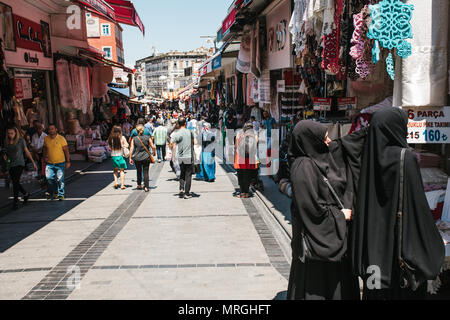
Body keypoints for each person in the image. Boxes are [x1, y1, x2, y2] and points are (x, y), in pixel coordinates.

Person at [351, 107, 445, 300]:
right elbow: (417, 207)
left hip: (373, 253)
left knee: (375, 292)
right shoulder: (406, 158)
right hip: (400, 254)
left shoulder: (369, 157)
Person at [287, 120, 367, 300]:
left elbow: (342, 145)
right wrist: (339, 216)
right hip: (316, 252)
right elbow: (311, 209)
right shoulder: (303, 166)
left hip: (330, 249)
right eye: (324, 138)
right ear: (310, 141)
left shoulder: (317, 159)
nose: (329, 141)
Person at [4, 126, 37, 210]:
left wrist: (33, 162)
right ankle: (25, 194)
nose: (10, 135)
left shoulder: (21, 141)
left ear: (15, 133)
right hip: (11, 164)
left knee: (15, 182)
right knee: (15, 182)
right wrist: (5, 157)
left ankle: (15, 202)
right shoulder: (6, 142)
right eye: (9, 133)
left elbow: (27, 152)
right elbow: (6, 154)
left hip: (19, 163)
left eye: (12, 133)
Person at [171, 117, 197, 199]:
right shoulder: (190, 132)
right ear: (185, 123)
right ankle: (186, 193)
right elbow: (196, 142)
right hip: (189, 156)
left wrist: (173, 156)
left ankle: (181, 188)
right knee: (188, 174)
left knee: (182, 172)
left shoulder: (176, 133)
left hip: (180, 156)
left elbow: (173, 145)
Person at [43, 124, 70, 201]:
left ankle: (61, 194)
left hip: (60, 163)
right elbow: (44, 148)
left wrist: (68, 161)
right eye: (49, 129)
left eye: (52, 129)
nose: (51, 130)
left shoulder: (61, 139)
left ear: (56, 129)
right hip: (49, 163)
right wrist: (44, 157)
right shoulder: (46, 138)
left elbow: (66, 150)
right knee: (49, 178)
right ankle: (55, 191)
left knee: (60, 179)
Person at [234, 122, 259, 198]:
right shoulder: (254, 133)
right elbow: (256, 145)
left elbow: (236, 146)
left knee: (240, 174)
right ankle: (247, 192)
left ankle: (242, 192)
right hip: (250, 157)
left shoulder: (239, 133)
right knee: (248, 174)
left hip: (240, 157)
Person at [130, 124, 156, 192]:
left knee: (138, 171)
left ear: (136, 131)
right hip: (146, 157)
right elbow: (153, 146)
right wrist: (154, 152)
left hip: (137, 157)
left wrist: (130, 158)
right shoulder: (147, 137)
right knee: (146, 172)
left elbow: (131, 148)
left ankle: (139, 185)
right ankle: (146, 187)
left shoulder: (134, 139)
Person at [108, 125, 129, 190]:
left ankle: (116, 182)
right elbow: (127, 145)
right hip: (121, 156)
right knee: (122, 171)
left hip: (114, 156)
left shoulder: (110, 138)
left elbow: (109, 147)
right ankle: (122, 185)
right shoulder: (122, 137)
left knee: (115, 170)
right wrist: (122, 145)